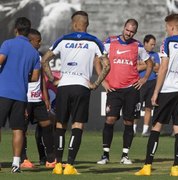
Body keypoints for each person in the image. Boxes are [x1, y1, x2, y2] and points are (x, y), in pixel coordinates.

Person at [41, 11, 110, 175]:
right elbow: (107, 65)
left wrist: (52, 79)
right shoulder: (94, 41)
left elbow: (44, 60)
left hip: (64, 86)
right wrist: (95, 84)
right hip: (82, 86)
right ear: (87, 24)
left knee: (60, 124)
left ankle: (58, 165)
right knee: (77, 125)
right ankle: (70, 165)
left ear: (73, 24)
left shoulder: (63, 39)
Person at [135, 13, 178, 176]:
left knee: (156, 127)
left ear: (171, 27)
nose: (166, 31)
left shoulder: (168, 42)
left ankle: (147, 166)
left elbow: (163, 68)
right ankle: (176, 168)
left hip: (168, 90)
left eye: (166, 28)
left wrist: (155, 92)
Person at [97, 19, 153, 165]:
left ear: (135, 32)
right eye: (127, 30)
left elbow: (150, 63)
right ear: (124, 28)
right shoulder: (110, 42)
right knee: (109, 119)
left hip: (131, 90)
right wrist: (102, 81)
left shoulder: (138, 45)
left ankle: (125, 155)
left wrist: (144, 79)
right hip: (114, 89)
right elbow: (97, 60)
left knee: (129, 121)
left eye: (132, 32)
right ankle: (105, 155)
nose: (129, 33)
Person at [0, 17, 40, 173]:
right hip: (21, 95)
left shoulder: (8, 44)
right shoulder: (33, 52)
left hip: (3, 92)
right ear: (28, 31)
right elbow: (35, 77)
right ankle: (16, 164)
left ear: (15, 29)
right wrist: (21, 76)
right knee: (18, 129)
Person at [20, 29, 56, 169]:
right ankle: (23, 159)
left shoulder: (38, 56)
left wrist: (46, 97)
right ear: (30, 41)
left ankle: (50, 159)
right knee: (22, 129)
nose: (40, 43)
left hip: (38, 99)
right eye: (37, 41)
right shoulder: (23, 56)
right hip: (25, 98)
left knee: (47, 125)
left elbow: (42, 80)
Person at [133, 34, 160, 137]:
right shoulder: (138, 54)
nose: (153, 46)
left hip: (152, 82)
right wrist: (149, 64)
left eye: (154, 44)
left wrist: (147, 65)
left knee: (149, 107)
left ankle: (145, 130)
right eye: (151, 44)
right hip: (139, 82)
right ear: (145, 43)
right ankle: (133, 129)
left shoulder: (155, 55)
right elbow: (136, 68)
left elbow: (158, 69)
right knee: (137, 106)